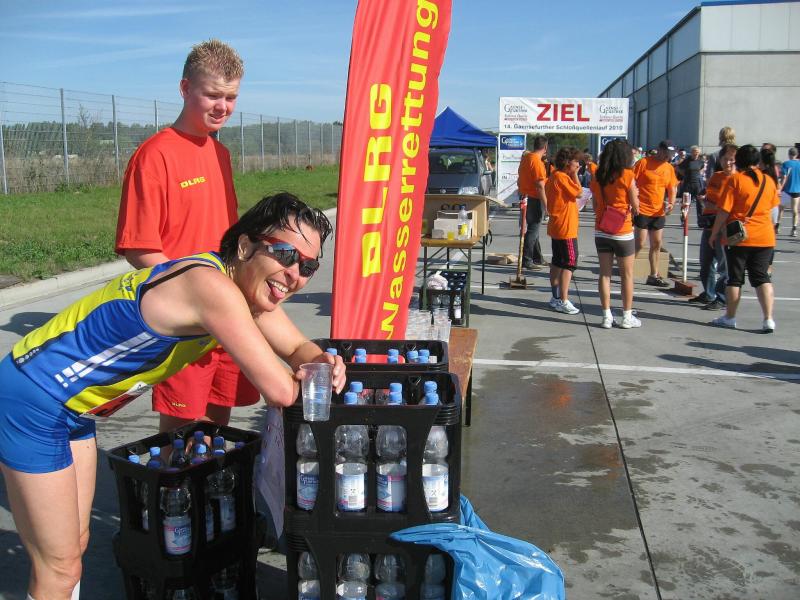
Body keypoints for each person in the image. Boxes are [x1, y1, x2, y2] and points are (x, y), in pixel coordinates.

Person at [0, 193, 346, 600]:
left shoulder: (241, 288)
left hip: (73, 408)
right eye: (286, 254)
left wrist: (323, 362)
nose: (294, 274)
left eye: (308, 266)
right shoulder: (212, 288)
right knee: (59, 567)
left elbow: (298, 348)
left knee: (75, 546)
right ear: (245, 246)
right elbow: (281, 390)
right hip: (33, 399)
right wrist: (314, 372)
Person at [115, 39, 254, 432]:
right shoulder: (155, 155)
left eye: (230, 97)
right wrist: (196, 298)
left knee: (217, 430)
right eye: (212, 95)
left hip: (225, 313)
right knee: (180, 437)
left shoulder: (220, 154)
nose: (222, 107)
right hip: (186, 318)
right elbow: (140, 248)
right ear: (184, 88)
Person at [709, 145, 780, 332]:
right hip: (765, 236)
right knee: (762, 278)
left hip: (739, 237)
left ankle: (730, 317)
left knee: (735, 279)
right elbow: (773, 209)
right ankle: (768, 319)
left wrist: (714, 233)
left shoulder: (735, 180)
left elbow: (724, 211)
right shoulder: (768, 180)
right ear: (757, 161)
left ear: (739, 161)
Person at [590, 139, 641, 329]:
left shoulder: (598, 176)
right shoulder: (628, 175)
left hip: (601, 228)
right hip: (622, 230)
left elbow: (595, 205)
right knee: (627, 275)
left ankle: (606, 315)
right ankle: (627, 316)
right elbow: (636, 206)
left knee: (605, 274)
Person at [692, 143, 737, 310]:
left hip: (726, 227)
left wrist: (717, 206)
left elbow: (732, 206)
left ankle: (722, 298)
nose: (728, 163)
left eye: (732, 160)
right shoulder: (716, 177)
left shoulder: (738, 179)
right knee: (706, 262)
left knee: (724, 266)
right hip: (710, 224)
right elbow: (710, 196)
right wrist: (704, 199)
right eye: (725, 159)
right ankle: (709, 293)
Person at [633, 139, 679, 287]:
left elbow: (672, 187)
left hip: (658, 211)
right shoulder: (644, 163)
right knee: (640, 243)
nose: (668, 156)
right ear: (659, 150)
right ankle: (626, 268)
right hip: (642, 209)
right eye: (666, 153)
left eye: (670, 154)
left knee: (657, 243)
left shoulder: (669, 168)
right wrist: (632, 201)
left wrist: (671, 203)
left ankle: (653, 275)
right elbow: (630, 181)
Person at [545, 147, 584, 315]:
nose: (578, 165)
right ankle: (563, 299)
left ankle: (556, 297)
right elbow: (579, 192)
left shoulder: (554, 176)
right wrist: (575, 174)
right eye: (576, 162)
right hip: (565, 227)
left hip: (558, 225)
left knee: (558, 262)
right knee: (569, 262)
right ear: (568, 163)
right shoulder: (562, 177)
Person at [518, 136, 549, 268]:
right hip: (534, 198)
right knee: (533, 229)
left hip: (526, 196)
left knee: (533, 228)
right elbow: (540, 186)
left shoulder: (526, 158)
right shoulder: (536, 161)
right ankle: (527, 259)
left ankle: (537, 257)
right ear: (545, 147)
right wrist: (546, 205)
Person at [779, 147, 800, 237]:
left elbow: (783, 177)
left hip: (786, 190)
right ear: (797, 154)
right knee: (795, 210)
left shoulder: (785, 164)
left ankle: (777, 226)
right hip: (797, 190)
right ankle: (794, 229)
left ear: (789, 154)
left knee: (781, 209)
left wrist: (780, 187)